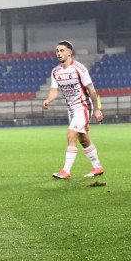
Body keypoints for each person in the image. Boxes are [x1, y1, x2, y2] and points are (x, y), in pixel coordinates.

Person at [42, 40, 104, 179]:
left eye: (62, 50)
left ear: (70, 52)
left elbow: (91, 89)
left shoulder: (79, 68)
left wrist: (96, 110)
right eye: (57, 51)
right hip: (71, 110)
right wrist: (48, 100)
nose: (59, 53)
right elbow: (54, 90)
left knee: (71, 135)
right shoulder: (55, 71)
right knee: (83, 140)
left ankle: (66, 171)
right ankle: (98, 167)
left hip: (82, 107)